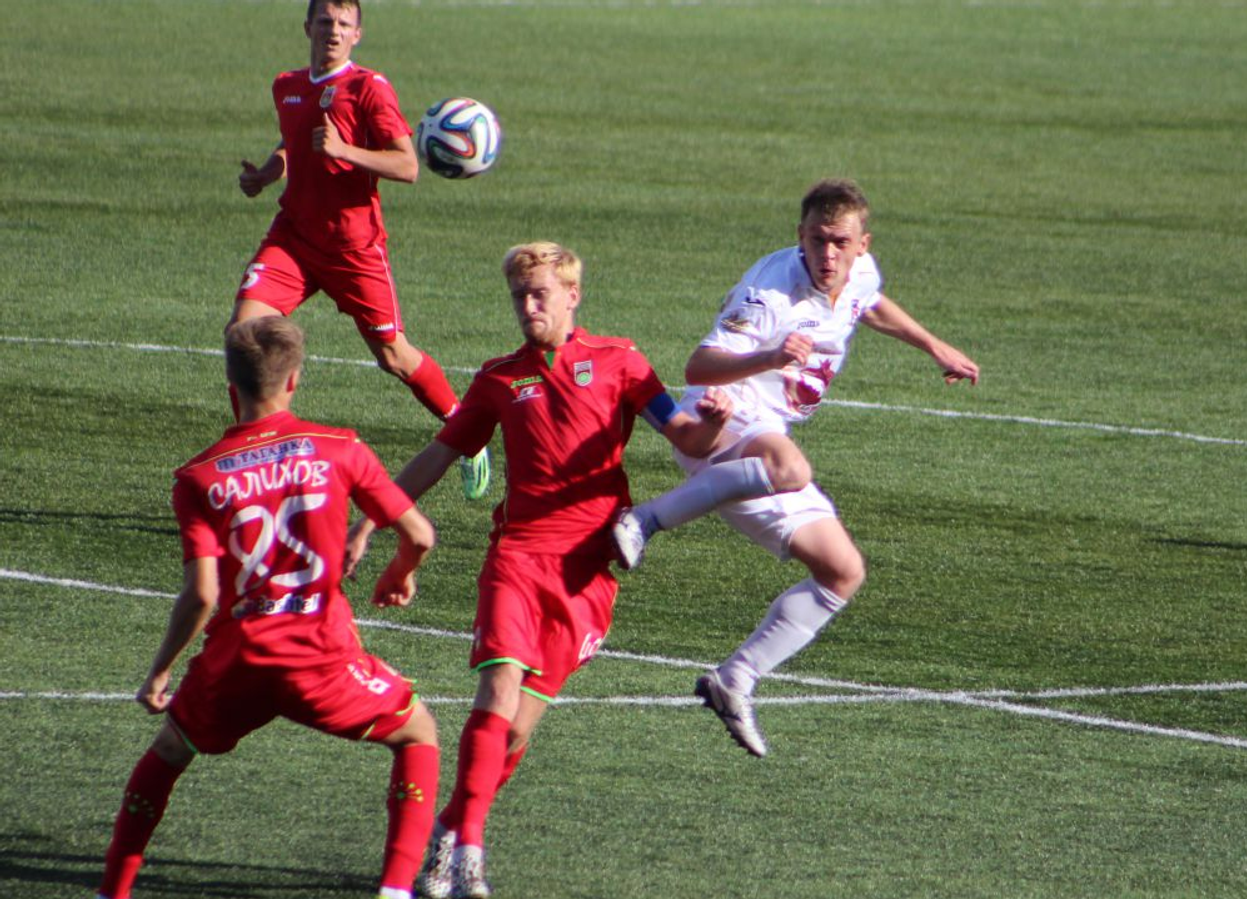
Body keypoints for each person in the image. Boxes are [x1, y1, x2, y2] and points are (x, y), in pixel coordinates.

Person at [344, 242, 768, 899]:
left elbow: (685, 435)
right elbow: (439, 453)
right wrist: (373, 519)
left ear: (573, 295)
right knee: (496, 695)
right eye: (519, 296)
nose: (528, 306)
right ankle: (470, 853)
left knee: (516, 728)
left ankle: (450, 830)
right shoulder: (498, 378)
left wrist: (712, 426)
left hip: (587, 573)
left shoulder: (621, 360)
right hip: (516, 557)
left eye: (539, 293)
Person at [611, 177, 981, 758]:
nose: (827, 255)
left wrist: (934, 346)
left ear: (862, 244)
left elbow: (869, 302)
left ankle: (735, 679)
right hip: (722, 419)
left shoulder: (859, 271)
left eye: (840, 243)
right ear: (800, 236)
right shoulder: (770, 293)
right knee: (790, 467)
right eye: (817, 240)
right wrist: (771, 355)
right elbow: (699, 366)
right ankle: (645, 520)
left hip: (765, 437)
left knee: (842, 571)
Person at [95, 317, 440, 899]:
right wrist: (399, 572)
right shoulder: (340, 448)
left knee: (169, 751)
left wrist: (160, 671)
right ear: (295, 379)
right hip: (321, 659)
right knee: (418, 732)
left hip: (238, 661)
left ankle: (113, 890)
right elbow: (420, 535)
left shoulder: (198, 477)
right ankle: (396, 889)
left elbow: (202, 595)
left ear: (231, 386)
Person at [231, 0, 491, 500]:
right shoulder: (286, 85)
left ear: (357, 35)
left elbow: (407, 166)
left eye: (343, 24)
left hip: (354, 249)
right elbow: (294, 141)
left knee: (394, 356)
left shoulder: (369, 88)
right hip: (294, 238)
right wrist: (268, 172)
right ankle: (255, 469)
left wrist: (343, 151)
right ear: (307, 27)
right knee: (244, 337)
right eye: (325, 21)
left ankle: (469, 434)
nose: (333, 31)